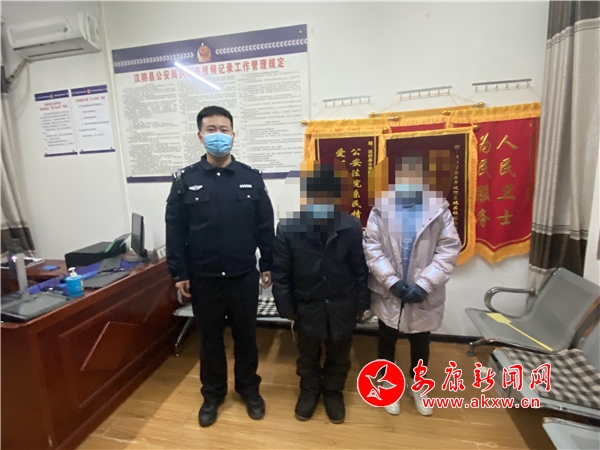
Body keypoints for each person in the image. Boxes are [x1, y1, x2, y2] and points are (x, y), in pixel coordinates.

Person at [165, 105, 275, 427]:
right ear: (200, 136)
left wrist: (268, 262)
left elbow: (264, 226)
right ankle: (212, 395)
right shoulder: (185, 180)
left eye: (223, 129)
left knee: (246, 337)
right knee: (210, 340)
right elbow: (175, 230)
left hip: (243, 276)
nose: (218, 135)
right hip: (204, 278)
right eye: (211, 130)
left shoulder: (251, 178)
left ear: (233, 134)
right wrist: (179, 272)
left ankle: (249, 389)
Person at [363, 151, 460, 417]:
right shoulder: (380, 210)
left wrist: (425, 285)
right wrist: (391, 281)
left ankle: (418, 384)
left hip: (423, 292)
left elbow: (448, 250)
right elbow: (372, 248)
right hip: (389, 290)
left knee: (420, 340)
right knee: (386, 338)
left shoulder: (438, 211)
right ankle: (388, 384)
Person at [272, 161, 370, 424]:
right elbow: (281, 273)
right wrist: (287, 309)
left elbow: (360, 268)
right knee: (307, 354)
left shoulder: (350, 226)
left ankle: (333, 391)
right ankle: (310, 390)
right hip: (306, 305)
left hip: (342, 303)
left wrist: (362, 302)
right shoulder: (287, 228)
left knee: (340, 354)